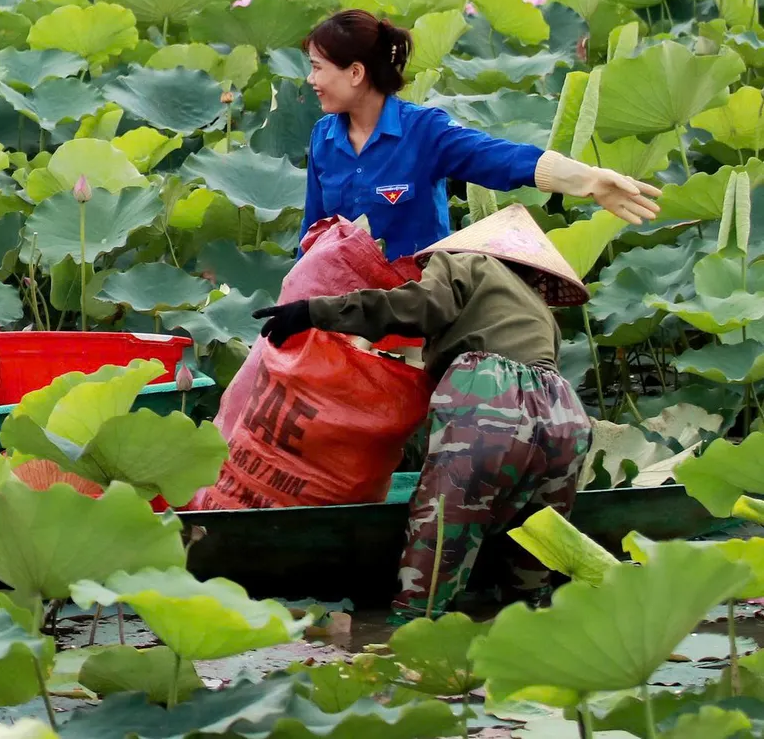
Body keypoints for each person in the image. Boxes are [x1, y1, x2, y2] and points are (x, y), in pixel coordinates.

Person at [254, 205, 593, 617]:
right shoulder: (538, 307)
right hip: (564, 413)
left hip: (492, 394)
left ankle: (411, 627)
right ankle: (531, 621)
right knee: (534, 542)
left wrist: (314, 311)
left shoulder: (464, 262)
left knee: (444, 527)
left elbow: (420, 306)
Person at [301, 9, 660, 258]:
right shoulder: (323, 139)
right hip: (340, 309)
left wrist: (588, 180)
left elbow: (502, 159)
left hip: (414, 307)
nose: (310, 79)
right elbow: (312, 236)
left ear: (355, 73)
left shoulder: (424, 131)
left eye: (317, 68)